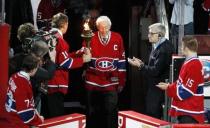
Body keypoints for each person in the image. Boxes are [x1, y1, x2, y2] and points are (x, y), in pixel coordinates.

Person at [84, 16, 126, 128]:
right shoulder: (89, 38)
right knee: (93, 113)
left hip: (111, 83)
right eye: (101, 28)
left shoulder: (117, 37)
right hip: (93, 83)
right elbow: (84, 59)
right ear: (97, 28)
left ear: (110, 26)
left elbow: (121, 61)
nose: (104, 30)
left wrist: (121, 81)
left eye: (106, 27)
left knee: (111, 113)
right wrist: (84, 53)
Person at [47, 12, 91, 118]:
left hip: (47, 81)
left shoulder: (49, 35)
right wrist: (83, 60)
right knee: (56, 118)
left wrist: (78, 53)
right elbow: (65, 62)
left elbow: (61, 57)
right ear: (65, 24)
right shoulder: (60, 41)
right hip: (56, 82)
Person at [128, 23, 174, 118]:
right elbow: (154, 65)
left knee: (153, 115)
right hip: (154, 87)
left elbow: (156, 71)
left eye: (151, 33)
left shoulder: (164, 49)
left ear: (159, 35)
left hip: (158, 89)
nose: (148, 35)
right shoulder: (157, 45)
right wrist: (142, 63)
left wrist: (140, 66)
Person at [156, 36, 205, 124]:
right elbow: (181, 84)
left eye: (182, 46)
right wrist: (168, 86)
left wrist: (168, 88)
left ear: (186, 48)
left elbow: (186, 91)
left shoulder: (194, 64)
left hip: (190, 114)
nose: (181, 48)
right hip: (188, 113)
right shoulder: (190, 62)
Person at [4, 55, 44, 128]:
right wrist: (39, 120)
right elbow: (25, 114)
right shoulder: (23, 84)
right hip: (17, 123)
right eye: (37, 68)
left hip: (10, 118)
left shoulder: (14, 76)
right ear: (32, 70)